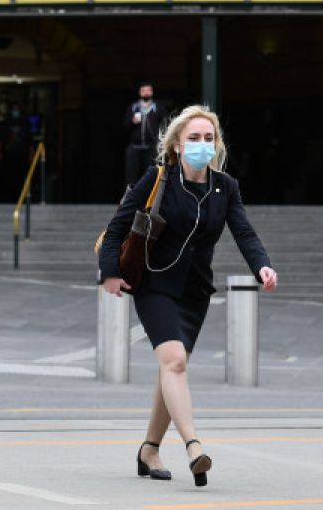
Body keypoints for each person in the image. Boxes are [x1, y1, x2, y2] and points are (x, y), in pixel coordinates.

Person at [99, 105, 277, 487]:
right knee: (175, 361)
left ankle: (149, 448)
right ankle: (194, 446)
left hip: (195, 291)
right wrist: (109, 272)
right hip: (154, 285)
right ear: (177, 145)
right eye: (193, 138)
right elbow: (116, 229)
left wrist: (261, 265)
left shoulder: (225, 187)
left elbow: (244, 232)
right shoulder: (158, 178)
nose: (201, 144)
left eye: (208, 138)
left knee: (171, 370)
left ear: (217, 144)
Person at [124, 81, 164, 189]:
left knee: (151, 174)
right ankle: (130, 198)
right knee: (131, 175)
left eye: (148, 90)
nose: (146, 93)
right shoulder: (133, 107)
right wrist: (132, 121)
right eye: (143, 91)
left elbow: (164, 125)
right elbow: (125, 125)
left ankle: (150, 201)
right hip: (134, 146)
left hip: (151, 147)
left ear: (152, 92)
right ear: (139, 92)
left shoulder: (158, 107)